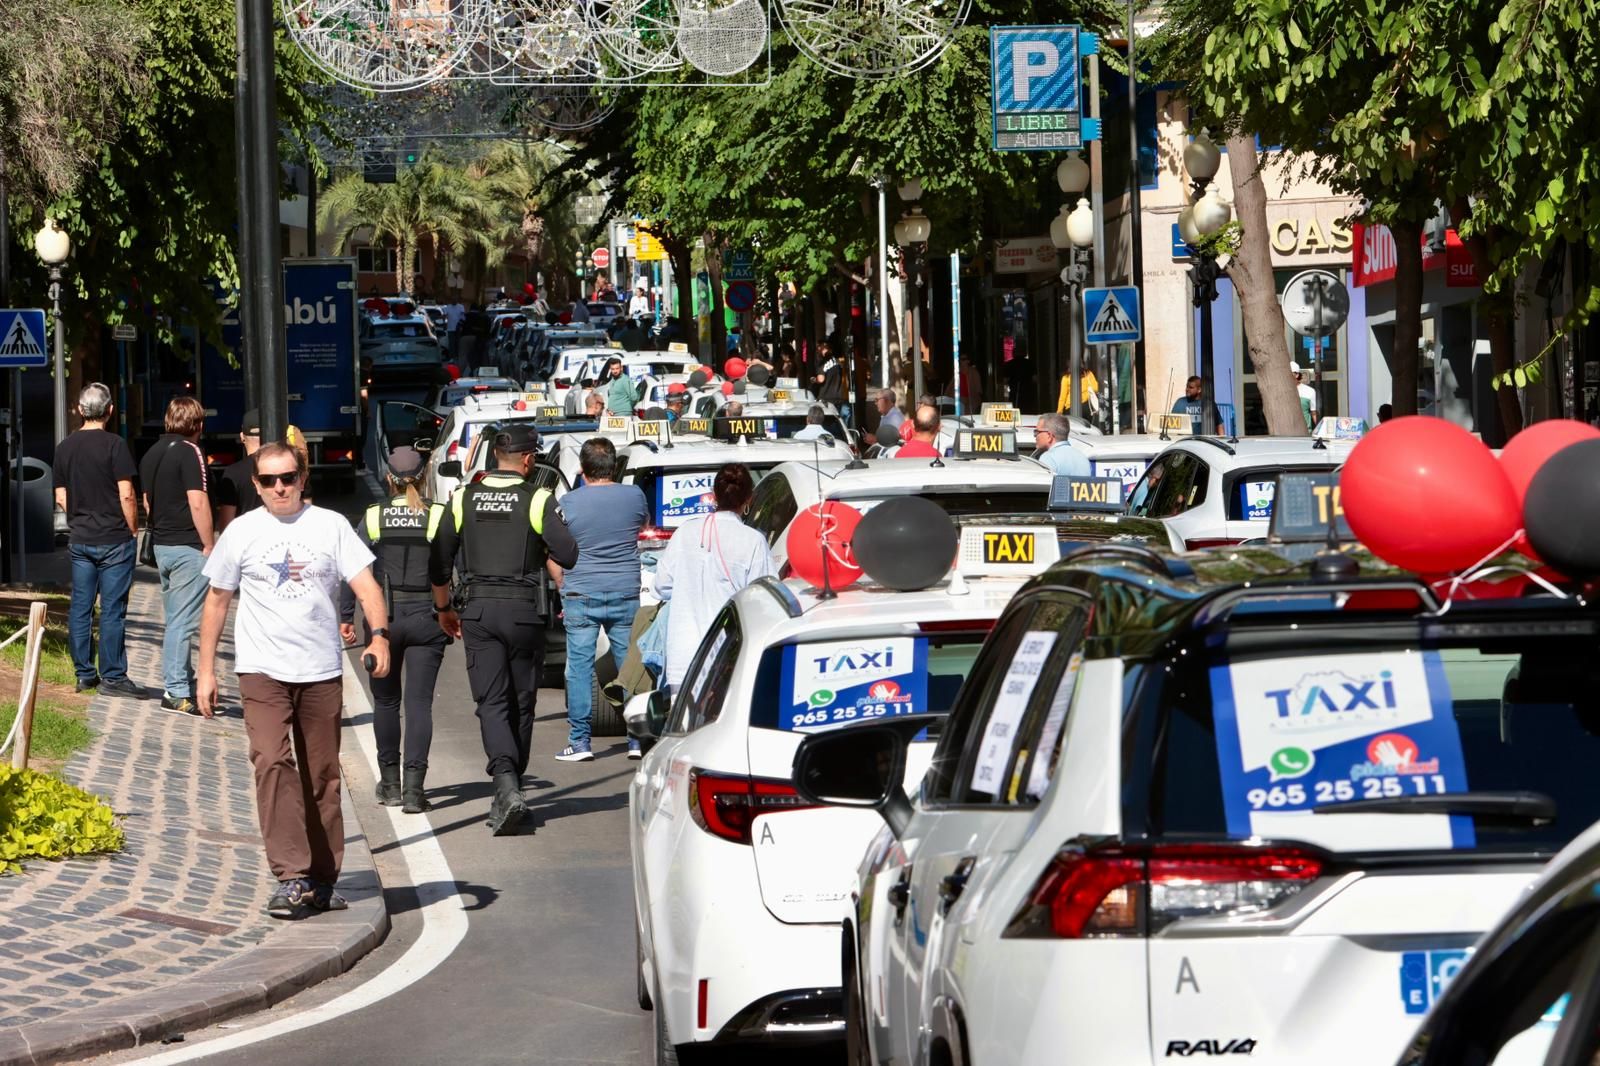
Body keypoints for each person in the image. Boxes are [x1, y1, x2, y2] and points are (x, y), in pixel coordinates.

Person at [197, 442, 391, 920]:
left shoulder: (331, 525)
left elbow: (366, 587)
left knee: (322, 776)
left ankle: (324, 878)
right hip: (261, 669)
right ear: (256, 485)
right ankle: (292, 876)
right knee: (270, 760)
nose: (279, 487)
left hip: (320, 668)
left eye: (287, 477)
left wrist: (380, 637)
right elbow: (217, 601)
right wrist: (204, 670)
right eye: (268, 480)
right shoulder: (241, 532)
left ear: (303, 478)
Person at [429, 424, 579, 835]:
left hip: (477, 610)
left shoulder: (462, 497)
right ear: (529, 460)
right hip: (524, 611)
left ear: (496, 456)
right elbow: (569, 554)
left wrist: (444, 608)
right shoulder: (539, 498)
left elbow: (439, 562)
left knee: (491, 701)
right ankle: (512, 785)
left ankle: (507, 784)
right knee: (522, 701)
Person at [341, 447, 447, 814]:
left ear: (388, 478)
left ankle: (389, 785)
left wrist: (345, 614)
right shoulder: (436, 516)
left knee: (386, 702)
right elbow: (451, 567)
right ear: (424, 475)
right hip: (427, 617)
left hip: (382, 619)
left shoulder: (372, 517)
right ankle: (415, 789)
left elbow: (351, 568)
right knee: (419, 703)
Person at [548, 438, 647, 761]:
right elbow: (641, 526)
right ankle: (636, 738)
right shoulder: (634, 496)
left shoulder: (569, 502)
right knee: (630, 665)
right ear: (614, 466)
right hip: (624, 590)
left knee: (578, 667)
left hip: (581, 590)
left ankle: (580, 742)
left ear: (583, 469)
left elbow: (553, 547)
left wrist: (561, 581)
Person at [53, 383, 144, 698]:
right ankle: (114, 676)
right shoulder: (115, 445)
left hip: (81, 538)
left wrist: (79, 514)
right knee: (112, 609)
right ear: (109, 411)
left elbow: (61, 494)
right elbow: (127, 493)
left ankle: (83, 672)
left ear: (79, 410)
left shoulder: (65, 447)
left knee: (81, 606)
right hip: (114, 538)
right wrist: (133, 528)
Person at [654, 464, 775, 691]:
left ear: (714, 494)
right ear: (749, 498)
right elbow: (765, 600)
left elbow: (661, 586)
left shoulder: (684, 533)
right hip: (729, 658)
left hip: (684, 658)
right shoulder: (753, 541)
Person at [139, 397, 215, 714]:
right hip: (187, 546)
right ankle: (176, 690)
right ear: (197, 424)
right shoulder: (191, 451)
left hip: (162, 545)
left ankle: (181, 680)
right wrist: (209, 543)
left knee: (174, 618)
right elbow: (197, 501)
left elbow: (146, 502)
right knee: (182, 623)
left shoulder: (151, 453)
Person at [216, 409, 264, 530]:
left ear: (242, 436)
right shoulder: (285, 467)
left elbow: (226, 522)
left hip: (245, 542)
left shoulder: (233, 473)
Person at [1032, 413, 1093, 477]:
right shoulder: (1082, 457)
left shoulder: (1048, 458)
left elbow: (1043, 485)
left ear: (1049, 436)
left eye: (1037, 432)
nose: (1035, 435)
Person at [813, 341, 847, 422]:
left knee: (828, 422)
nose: (819, 350)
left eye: (821, 348)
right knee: (838, 421)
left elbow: (821, 379)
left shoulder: (823, 363)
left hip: (826, 399)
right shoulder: (838, 362)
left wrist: (814, 380)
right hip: (838, 397)